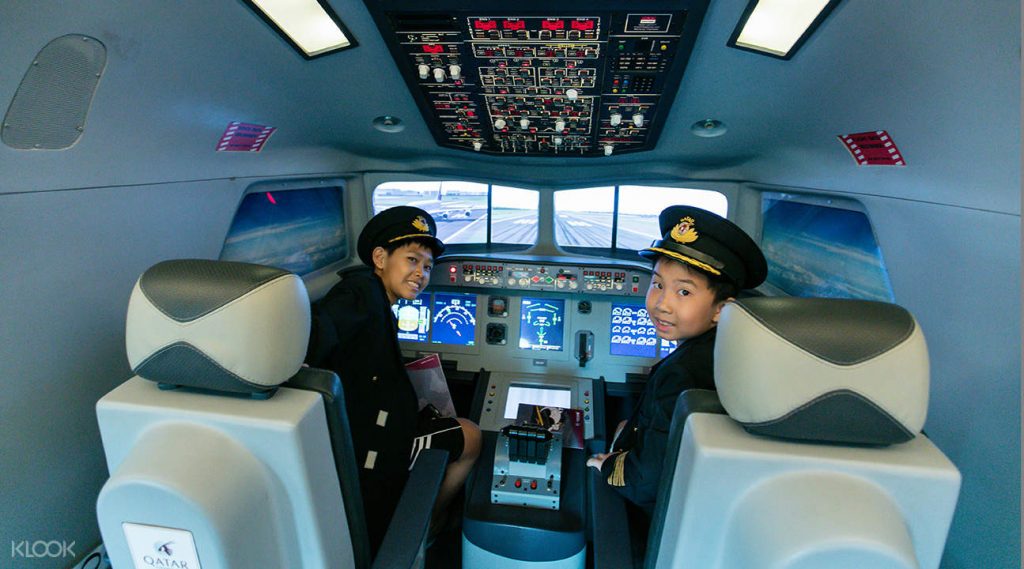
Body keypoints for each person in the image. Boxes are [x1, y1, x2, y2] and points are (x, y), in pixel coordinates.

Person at [305, 205, 481, 554]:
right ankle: (429, 524)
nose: (421, 273)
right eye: (412, 260)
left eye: (427, 266)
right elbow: (319, 331)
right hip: (373, 443)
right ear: (380, 257)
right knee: (472, 437)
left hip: (380, 422)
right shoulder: (360, 295)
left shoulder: (373, 294)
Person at [586, 205, 766, 513]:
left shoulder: (682, 374)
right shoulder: (719, 351)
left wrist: (609, 467)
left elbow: (645, 482)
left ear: (722, 309)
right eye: (657, 284)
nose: (662, 304)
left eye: (683, 292)